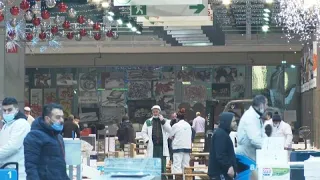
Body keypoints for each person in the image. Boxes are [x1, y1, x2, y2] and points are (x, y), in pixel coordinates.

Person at [24, 103, 69, 180]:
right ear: (47, 119)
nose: (61, 120)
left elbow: (60, 165)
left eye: (62, 117)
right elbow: (31, 167)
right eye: (58, 117)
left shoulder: (58, 137)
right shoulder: (34, 136)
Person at [0, 97, 30, 180]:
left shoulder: (21, 124)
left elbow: (13, 146)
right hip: (7, 170)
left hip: (18, 172)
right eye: (4, 110)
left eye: (9, 110)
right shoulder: (6, 125)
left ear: (17, 110)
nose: (6, 113)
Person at [141, 105, 172, 174]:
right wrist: (147, 140)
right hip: (153, 147)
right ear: (152, 112)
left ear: (159, 112)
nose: (155, 113)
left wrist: (162, 121)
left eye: (157, 111)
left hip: (162, 147)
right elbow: (143, 132)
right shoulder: (148, 121)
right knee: (153, 164)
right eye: (154, 111)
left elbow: (170, 130)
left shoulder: (165, 121)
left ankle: (162, 178)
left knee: (162, 165)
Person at [236, 95, 268, 161]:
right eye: (266, 105)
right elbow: (255, 140)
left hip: (251, 154)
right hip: (245, 156)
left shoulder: (256, 117)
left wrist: (270, 142)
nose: (267, 107)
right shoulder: (250, 117)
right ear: (261, 105)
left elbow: (263, 135)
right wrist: (268, 146)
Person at [208, 112, 237, 180]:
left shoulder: (223, 134)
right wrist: (229, 166)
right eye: (233, 121)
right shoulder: (221, 135)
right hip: (220, 174)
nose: (235, 123)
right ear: (227, 122)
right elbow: (221, 154)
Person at [170, 108, 193, 174]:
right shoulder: (188, 125)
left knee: (177, 165)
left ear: (177, 118)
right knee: (185, 165)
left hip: (178, 147)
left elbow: (170, 135)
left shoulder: (176, 125)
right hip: (187, 147)